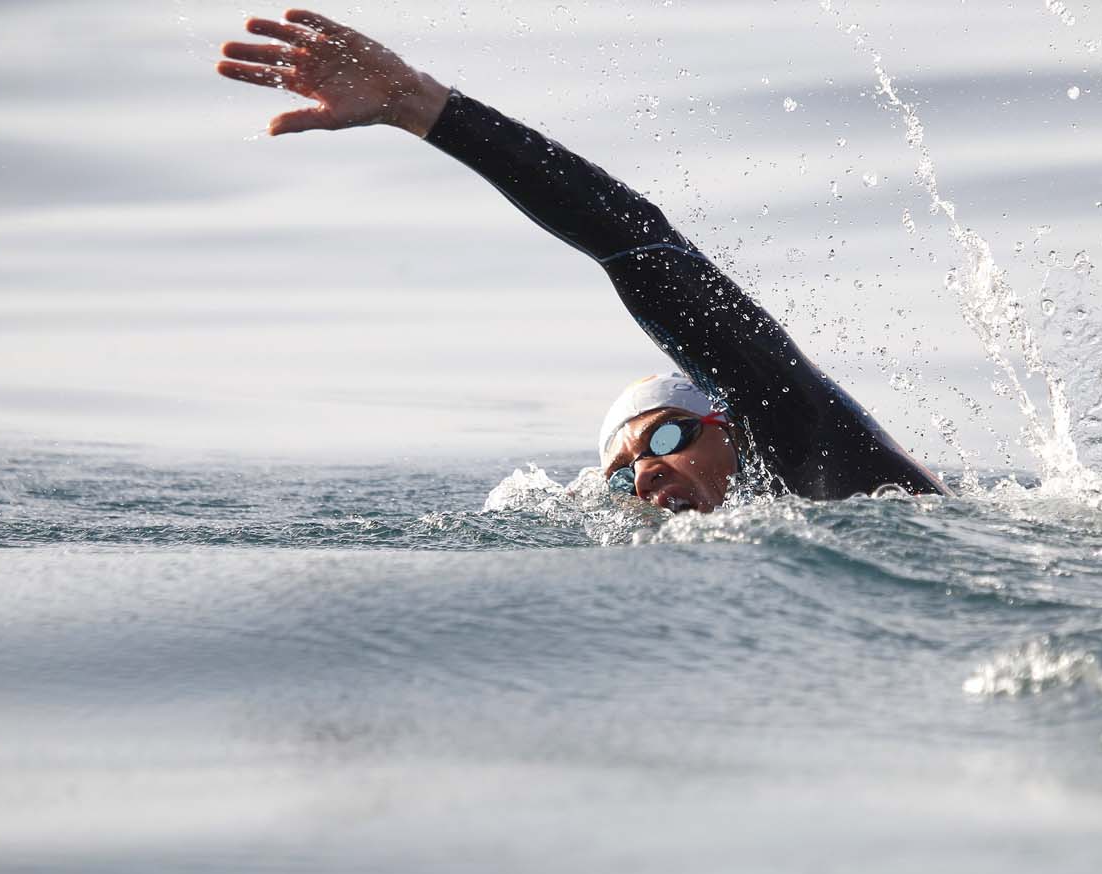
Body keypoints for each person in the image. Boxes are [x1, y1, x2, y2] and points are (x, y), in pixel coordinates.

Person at [217, 9, 949, 512]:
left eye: (667, 436)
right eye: (622, 478)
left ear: (725, 418)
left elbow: (637, 244)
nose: (649, 471)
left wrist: (423, 106)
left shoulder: (801, 435)